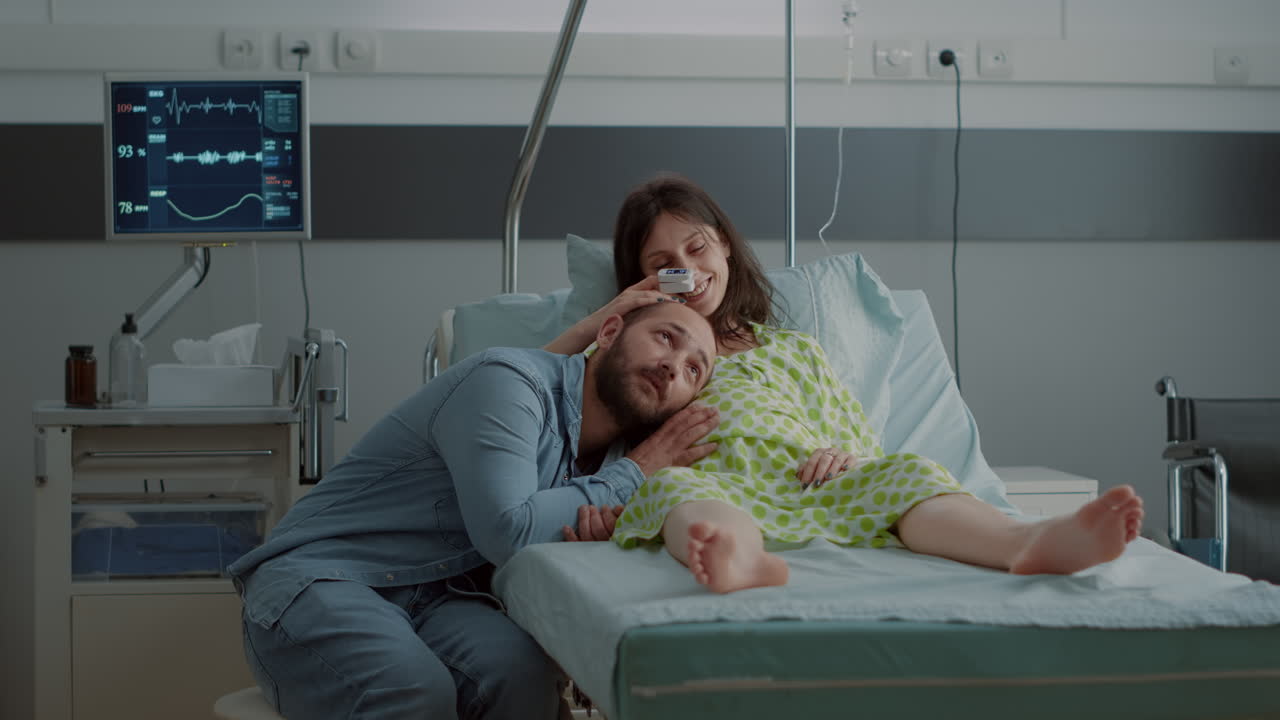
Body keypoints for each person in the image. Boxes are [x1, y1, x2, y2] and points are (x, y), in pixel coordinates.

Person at [549, 173, 1145, 594]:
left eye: (697, 247)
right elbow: (546, 403)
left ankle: (1026, 542)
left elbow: (851, 433)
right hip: (712, 479)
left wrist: (846, 456)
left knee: (907, 473)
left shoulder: (789, 349)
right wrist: (620, 319)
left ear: (724, 244)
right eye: (663, 265)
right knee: (680, 497)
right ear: (644, 283)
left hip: (811, 485)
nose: (689, 269)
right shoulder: (643, 359)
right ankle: (738, 560)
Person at [229, 300, 720, 719]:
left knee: (523, 676)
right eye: (664, 337)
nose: (673, 365)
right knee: (416, 692)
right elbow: (508, 529)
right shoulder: (508, 381)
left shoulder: (615, 463)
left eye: (693, 369)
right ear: (610, 331)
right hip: (322, 577)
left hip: (441, 598)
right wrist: (637, 469)